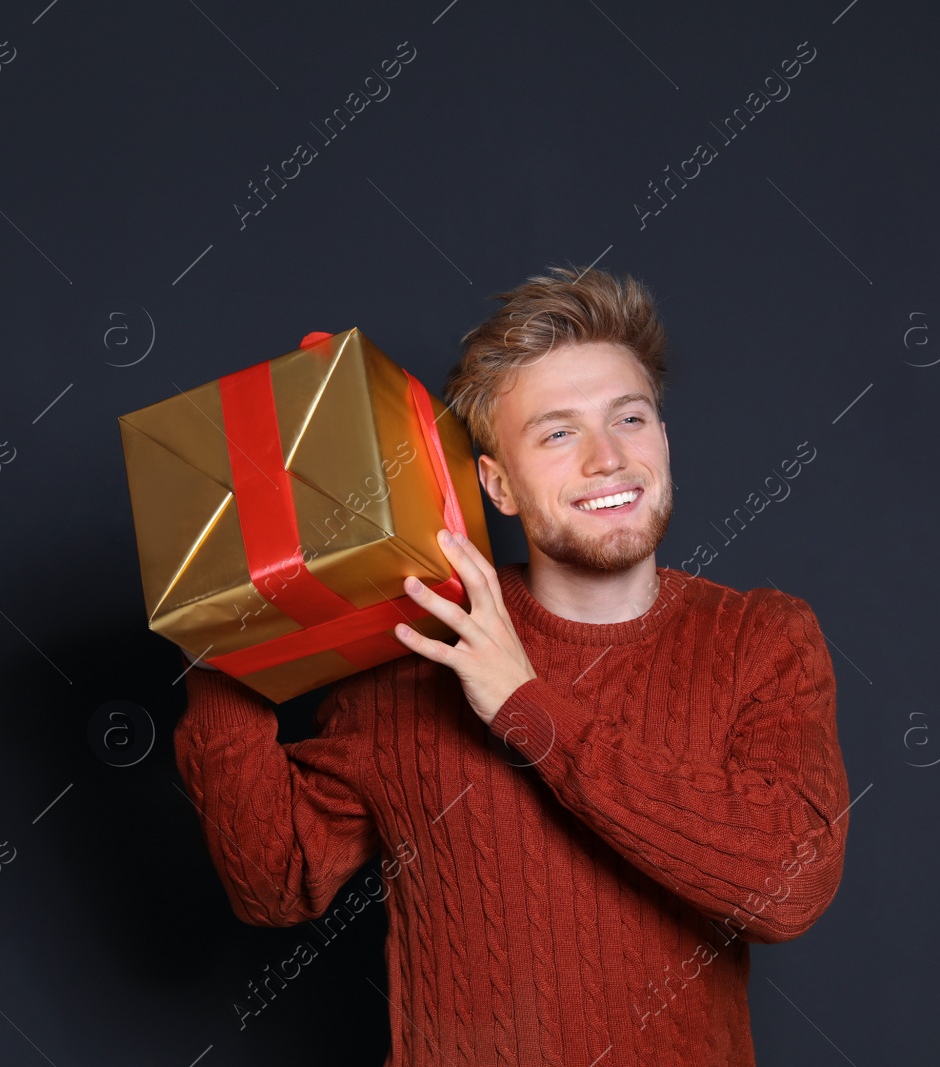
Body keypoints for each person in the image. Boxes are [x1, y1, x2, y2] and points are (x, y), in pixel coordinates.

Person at [173, 266, 850, 1066]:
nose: (607, 458)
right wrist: (230, 622)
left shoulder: (762, 637)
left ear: (663, 439)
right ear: (498, 484)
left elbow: (790, 882)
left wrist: (526, 707)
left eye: (630, 417)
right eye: (558, 433)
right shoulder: (417, 655)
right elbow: (275, 881)